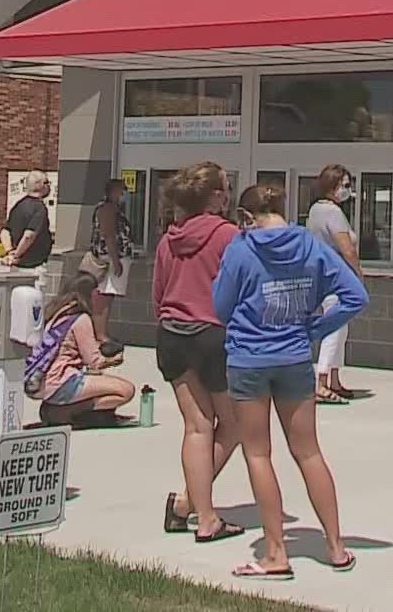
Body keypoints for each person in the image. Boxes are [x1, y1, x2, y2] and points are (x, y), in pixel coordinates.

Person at [214, 182, 368, 580]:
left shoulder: (241, 249)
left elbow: (221, 306)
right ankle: (336, 547)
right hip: (296, 357)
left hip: (249, 360)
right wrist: (315, 329)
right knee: (309, 452)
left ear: (247, 217)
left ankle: (276, 553)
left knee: (258, 454)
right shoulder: (310, 246)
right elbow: (356, 296)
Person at [155, 165, 244, 542]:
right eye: (225, 188)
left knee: (197, 425)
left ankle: (194, 510)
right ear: (214, 197)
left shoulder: (167, 240)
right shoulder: (229, 236)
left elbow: (158, 294)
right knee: (235, 423)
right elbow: (242, 288)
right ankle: (194, 507)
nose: (229, 194)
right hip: (213, 335)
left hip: (172, 334)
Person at [26, 272, 136, 426]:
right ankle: (70, 412)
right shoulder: (81, 319)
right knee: (126, 390)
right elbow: (94, 362)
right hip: (62, 381)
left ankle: (58, 408)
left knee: (100, 383)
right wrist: (114, 360)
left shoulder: (54, 312)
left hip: (42, 382)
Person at [305, 165, 363, 404]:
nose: (349, 190)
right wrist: (358, 274)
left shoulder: (314, 210)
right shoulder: (333, 213)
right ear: (332, 186)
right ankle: (321, 381)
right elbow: (346, 248)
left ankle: (335, 380)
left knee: (341, 327)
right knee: (335, 329)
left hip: (321, 277)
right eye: (345, 185)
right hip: (337, 278)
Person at [88, 178, 133, 341]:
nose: (124, 194)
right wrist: (115, 261)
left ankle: (102, 331)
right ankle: (100, 334)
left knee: (108, 296)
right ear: (113, 192)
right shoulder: (107, 209)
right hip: (108, 259)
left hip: (114, 257)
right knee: (103, 296)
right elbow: (108, 235)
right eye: (122, 190)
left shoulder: (115, 209)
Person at [0, 172, 54, 280]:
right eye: (47, 182)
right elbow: (29, 235)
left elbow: (5, 232)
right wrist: (17, 255)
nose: (49, 186)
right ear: (40, 185)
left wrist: (9, 252)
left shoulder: (18, 205)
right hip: (34, 269)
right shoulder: (39, 208)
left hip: (16, 268)